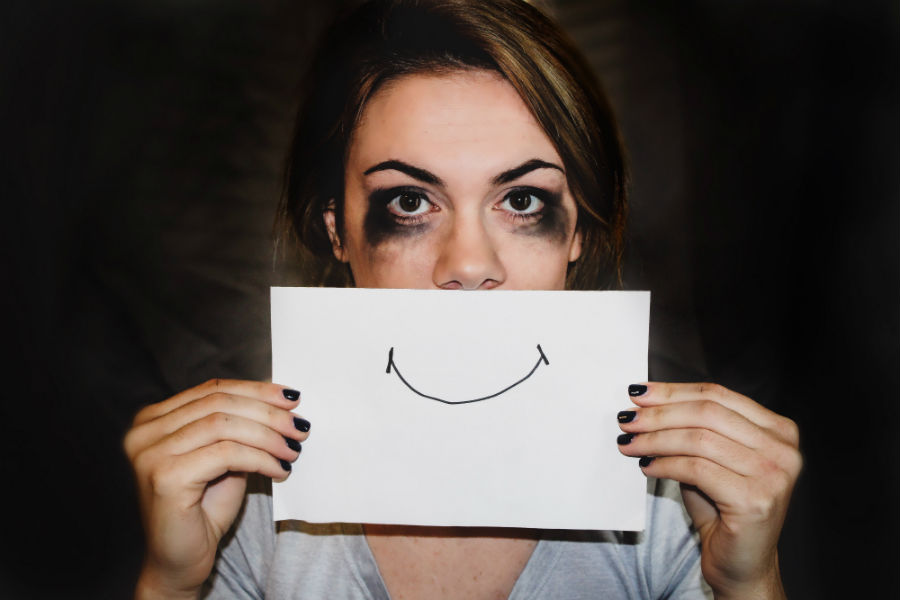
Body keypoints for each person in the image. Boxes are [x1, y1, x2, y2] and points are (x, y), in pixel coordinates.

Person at [124, 1, 802, 598]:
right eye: (411, 201)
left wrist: (748, 585)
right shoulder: (247, 501)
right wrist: (171, 584)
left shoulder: (677, 502)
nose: (469, 264)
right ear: (337, 229)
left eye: (523, 200)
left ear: (579, 233)